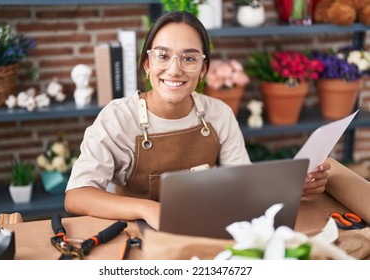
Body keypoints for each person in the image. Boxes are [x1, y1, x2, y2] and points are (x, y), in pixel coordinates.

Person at [64, 11, 330, 230]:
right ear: (147, 64)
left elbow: (244, 185)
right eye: (162, 55)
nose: (175, 69)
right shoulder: (117, 118)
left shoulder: (219, 114)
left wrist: (297, 188)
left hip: (204, 228)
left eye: (189, 58)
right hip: (136, 237)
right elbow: (76, 195)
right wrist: (148, 209)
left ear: (203, 69)